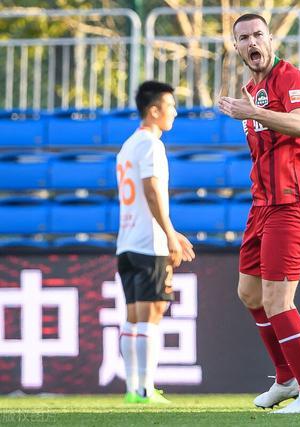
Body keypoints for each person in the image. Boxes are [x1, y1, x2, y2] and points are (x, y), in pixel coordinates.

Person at [218, 13, 300, 414]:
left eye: (258, 35)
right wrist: (251, 111)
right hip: (262, 204)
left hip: (291, 203)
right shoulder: (251, 90)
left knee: (278, 300)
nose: (252, 42)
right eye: (243, 37)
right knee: (249, 293)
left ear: (270, 39)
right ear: (236, 46)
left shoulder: (289, 77)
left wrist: (255, 114)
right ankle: (286, 379)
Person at [116, 81, 195, 404]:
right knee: (152, 313)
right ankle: (145, 389)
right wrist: (168, 234)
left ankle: (132, 389)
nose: (174, 112)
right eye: (170, 106)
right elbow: (151, 191)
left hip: (127, 241)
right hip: (149, 242)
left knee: (133, 316)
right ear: (154, 111)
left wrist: (171, 231)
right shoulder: (151, 145)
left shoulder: (127, 146)